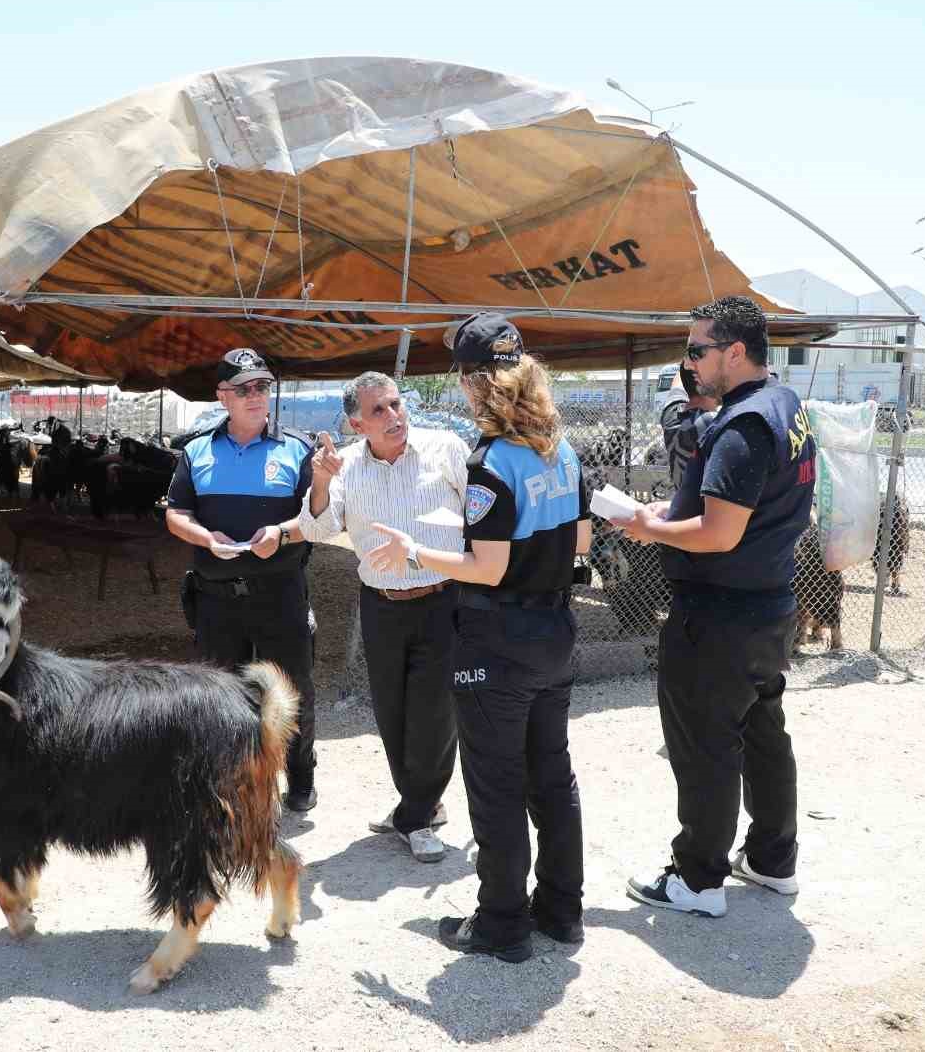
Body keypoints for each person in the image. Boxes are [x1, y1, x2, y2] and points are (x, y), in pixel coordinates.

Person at [368, 313, 592, 962]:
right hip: (556, 631)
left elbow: (486, 568)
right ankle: (561, 911)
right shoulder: (562, 449)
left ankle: (501, 924)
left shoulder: (491, 462)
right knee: (552, 777)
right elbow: (579, 545)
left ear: (473, 385)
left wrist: (417, 550)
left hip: (498, 643)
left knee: (496, 785)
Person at [611, 295, 815, 919]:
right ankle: (773, 860)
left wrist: (650, 528)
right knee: (761, 733)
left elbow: (719, 532)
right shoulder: (785, 405)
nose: (690, 362)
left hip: (721, 612)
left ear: (734, 352)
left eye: (698, 350)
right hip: (768, 603)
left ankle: (699, 878)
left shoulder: (743, 424)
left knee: (705, 745)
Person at [297, 371, 469, 863]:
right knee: (391, 712)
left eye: (396, 404)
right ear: (356, 423)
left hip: (443, 600)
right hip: (381, 605)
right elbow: (318, 527)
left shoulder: (446, 449)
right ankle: (419, 807)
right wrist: (322, 480)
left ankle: (416, 814)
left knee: (435, 713)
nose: (394, 417)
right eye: (379, 411)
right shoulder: (345, 466)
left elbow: (478, 520)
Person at [165, 348, 319, 810]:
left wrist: (283, 532)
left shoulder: (297, 449)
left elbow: (318, 518)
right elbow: (176, 514)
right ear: (222, 396)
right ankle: (226, 779)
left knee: (291, 691)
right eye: (244, 388)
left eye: (262, 387)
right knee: (220, 694)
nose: (256, 396)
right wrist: (204, 538)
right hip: (216, 599)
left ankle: (301, 775)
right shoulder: (195, 450)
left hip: (280, 595)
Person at [659, 360, 720, 492]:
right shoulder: (711, 422)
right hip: (706, 509)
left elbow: (678, 382)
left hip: (679, 503)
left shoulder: (671, 415)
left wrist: (689, 361)